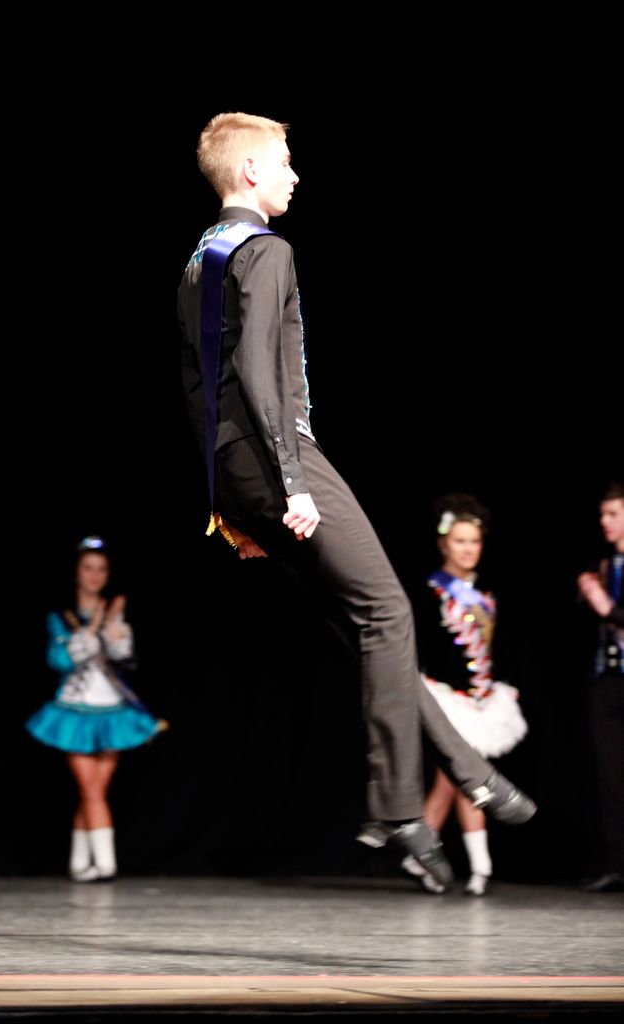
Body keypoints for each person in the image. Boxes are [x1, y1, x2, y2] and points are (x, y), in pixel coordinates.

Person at [177, 111, 536, 888]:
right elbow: (258, 371)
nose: (294, 174)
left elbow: (198, 390)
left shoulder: (200, 259)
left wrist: (228, 503)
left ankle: (468, 769)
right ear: (250, 172)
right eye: (284, 162)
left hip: (235, 466)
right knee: (388, 613)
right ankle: (397, 805)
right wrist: (291, 481)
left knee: (364, 626)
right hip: (278, 455)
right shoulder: (267, 249)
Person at [399, 494, 529, 896]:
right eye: (460, 541)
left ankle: (423, 854)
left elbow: (501, 645)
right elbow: (418, 645)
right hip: (445, 698)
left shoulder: (489, 591)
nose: (468, 549)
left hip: (482, 699)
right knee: (468, 775)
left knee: (454, 779)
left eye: (474, 541)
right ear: (444, 544)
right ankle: (479, 865)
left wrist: (504, 684)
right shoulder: (430, 590)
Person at [25, 536, 167, 882]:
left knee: (95, 791)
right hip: (74, 710)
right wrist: (91, 627)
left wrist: (114, 624)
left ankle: (79, 864)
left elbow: (124, 658)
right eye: (88, 568)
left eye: (101, 569)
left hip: (112, 710)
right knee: (90, 789)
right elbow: (60, 660)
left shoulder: (114, 611)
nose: (94, 575)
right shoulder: (62, 617)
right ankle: (105, 865)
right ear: (76, 572)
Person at [577, 482, 624, 893]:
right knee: (610, 776)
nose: (605, 521)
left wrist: (605, 605)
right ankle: (616, 863)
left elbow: (610, 610)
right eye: (602, 514)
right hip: (607, 679)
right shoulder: (606, 565)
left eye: (614, 514)